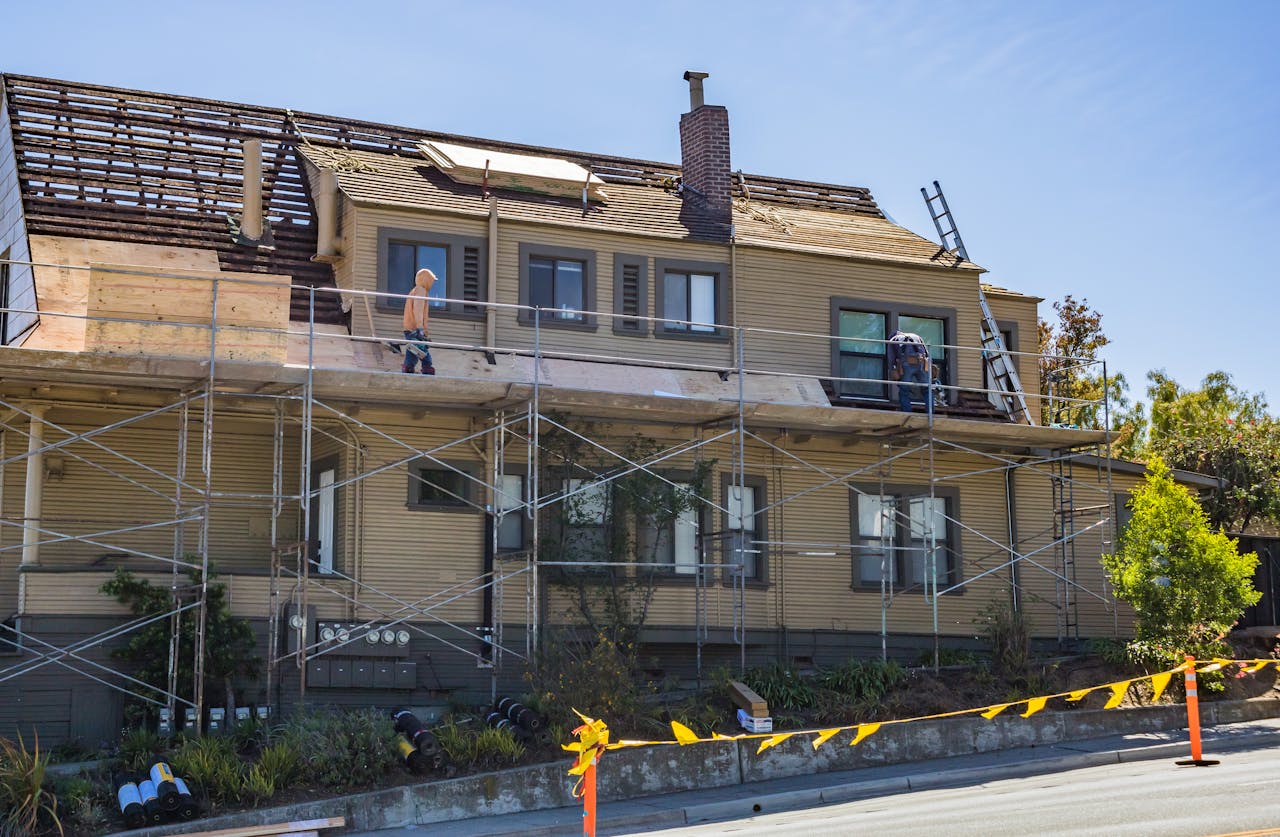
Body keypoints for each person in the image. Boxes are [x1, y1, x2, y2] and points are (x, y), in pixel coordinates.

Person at [401, 268, 436, 375]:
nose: (432, 284)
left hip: (410, 328)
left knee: (413, 351)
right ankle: (427, 368)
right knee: (422, 352)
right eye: (431, 281)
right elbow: (418, 309)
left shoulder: (414, 291)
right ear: (426, 280)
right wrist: (420, 328)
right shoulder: (421, 290)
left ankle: (408, 367)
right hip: (415, 329)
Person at [887, 330, 931, 413]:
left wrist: (892, 369)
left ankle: (907, 412)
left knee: (904, 390)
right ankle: (930, 412)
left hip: (906, 363)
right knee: (927, 389)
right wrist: (928, 368)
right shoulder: (916, 336)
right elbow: (927, 354)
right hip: (921, 361)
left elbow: (891, 357)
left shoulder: (893, 339)